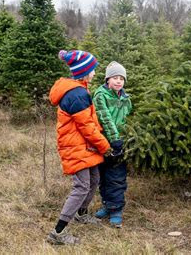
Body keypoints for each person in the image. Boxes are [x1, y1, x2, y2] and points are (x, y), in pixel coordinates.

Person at [46, 50, 111, 245]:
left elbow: (89, 123)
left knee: (94, 179)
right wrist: (105, 146)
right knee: (82, 186)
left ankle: (81, 213)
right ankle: (58, 232)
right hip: (76, 146)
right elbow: (87, 127)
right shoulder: (77, 94)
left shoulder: (80, 89)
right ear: (84, 71)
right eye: (92, 70)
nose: (94, 73)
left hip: (83, 145)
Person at [93, 61, 132, 228]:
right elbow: (105, 117)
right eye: (115, 78)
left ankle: (116, 209)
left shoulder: (126, 98)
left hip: (120, 142)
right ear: (107, 79)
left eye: (121, 78)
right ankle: (107, 205)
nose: (118, 81)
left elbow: (129, 119)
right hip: (104, 142)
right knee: (103, 175)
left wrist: (124, 139)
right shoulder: (100, 95)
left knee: (117, 176)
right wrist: (114, 139)